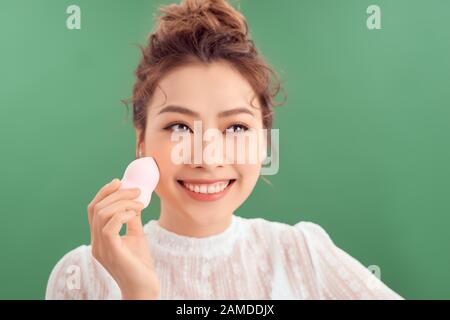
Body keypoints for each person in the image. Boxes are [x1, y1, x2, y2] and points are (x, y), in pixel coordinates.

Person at [45, 0, 402, 300]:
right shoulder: (82, 277)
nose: (208, 158)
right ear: (141, 140)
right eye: (180, 127)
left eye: (235, 127)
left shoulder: (301, 254)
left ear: (263, 140)